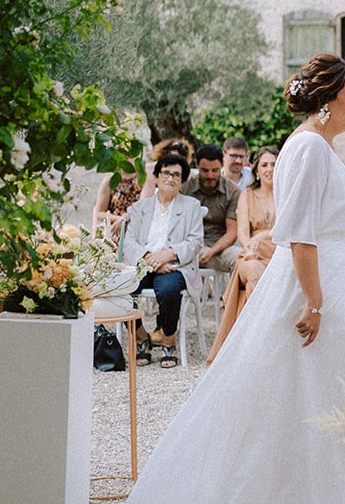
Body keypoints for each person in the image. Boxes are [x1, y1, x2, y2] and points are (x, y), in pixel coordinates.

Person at [123, 54, 345, 504]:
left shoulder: (316, 146)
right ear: (327, 99)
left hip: (330, 283)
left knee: (315, 388)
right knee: (294, 385)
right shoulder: (309, 147)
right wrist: (315, 302)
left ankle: (322, 499)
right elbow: (300, 233)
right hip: (313, 287)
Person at [119, 153, 204, 369]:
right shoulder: (140, 208)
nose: (170, 178)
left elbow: (196, 241)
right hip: (143, 265)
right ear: (156, 177)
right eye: (166, 173)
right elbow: (128, 242)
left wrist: (169, 254)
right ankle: (140, 337)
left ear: (182, 181)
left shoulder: (192, 206)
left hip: (175, 266)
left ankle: (168, 340)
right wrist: (149, 258)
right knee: (122, 289)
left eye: (177, 175)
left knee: (168, 291)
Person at [204, 145, 279, 365]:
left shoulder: (288, 193)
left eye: (274, 164)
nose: (269, 169)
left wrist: (264, 235)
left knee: (274, 277)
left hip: (279, 253)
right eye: (264, 164)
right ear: (256, 169)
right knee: (256, 273)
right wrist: (250, 247)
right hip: (252, 256)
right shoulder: (246, 194)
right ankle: (255, 341)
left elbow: (289, 228)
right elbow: (243, 235)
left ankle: (261, 346)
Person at [184, 144, 241, 273]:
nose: (210, 176)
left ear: (222, 165)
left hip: (220, 247)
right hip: (191, 245)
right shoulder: (185, 188)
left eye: (215, 170)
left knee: (242, 259)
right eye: (205, 170)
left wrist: (212, 251)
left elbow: (232, 232)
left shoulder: (233, 192)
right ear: (197, 165)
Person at [91, 165, 142, 243]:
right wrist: (120, 219)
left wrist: (127, 217)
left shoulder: (143, 179)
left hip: (137, 233)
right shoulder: (109, 181)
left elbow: (144, 207)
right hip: (115, 232)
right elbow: (99, 213)